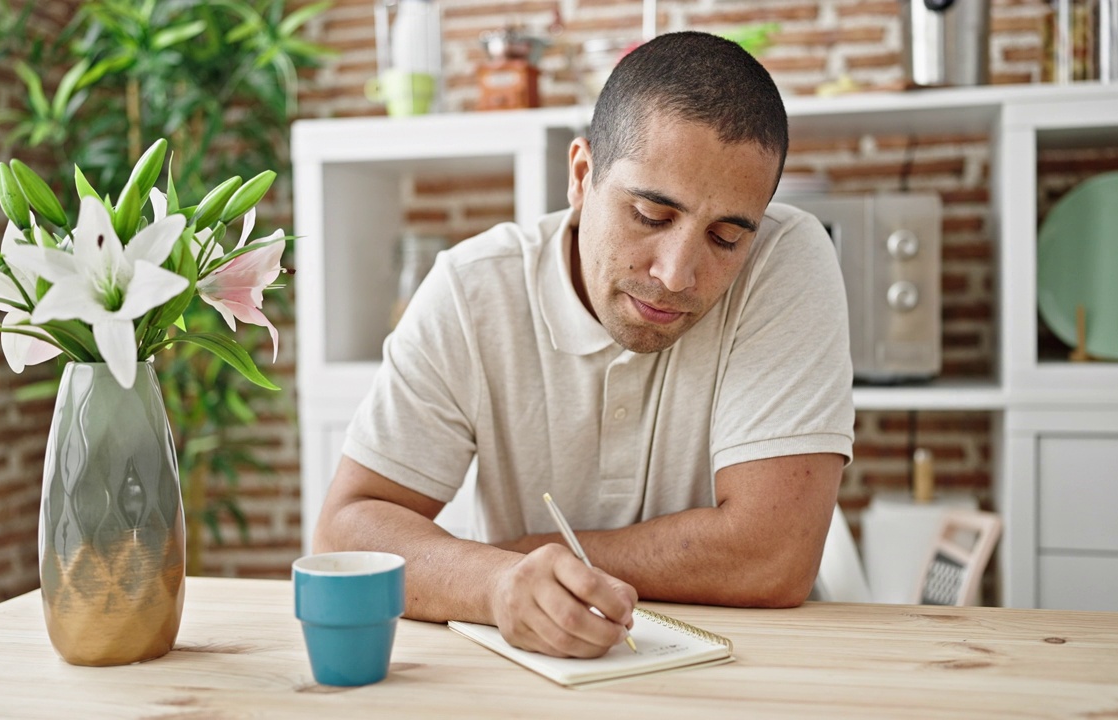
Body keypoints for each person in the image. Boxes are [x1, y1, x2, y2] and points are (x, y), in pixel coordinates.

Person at [314, 31, 854, 660]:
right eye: (651, 216)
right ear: (580, 175)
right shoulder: (471, 289)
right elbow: (345, 532)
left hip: (752, 668)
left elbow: (772, 558)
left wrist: (522, 558)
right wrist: (496, 585)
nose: (677, 274)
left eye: (726, 237)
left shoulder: (786, 257)